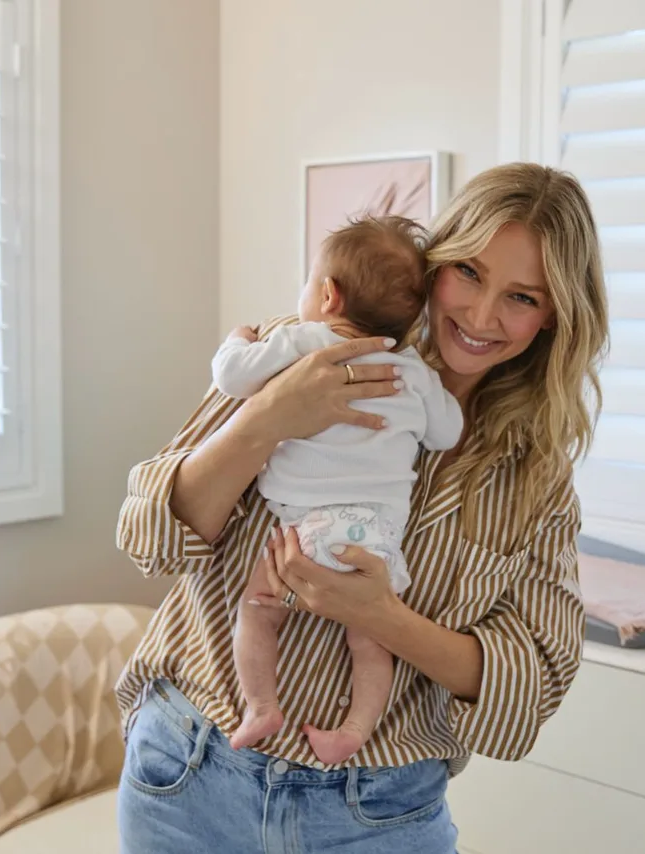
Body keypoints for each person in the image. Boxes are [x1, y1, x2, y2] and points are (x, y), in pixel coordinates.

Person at [114, 162, 609, 854]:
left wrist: (378, 617)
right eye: (468, 271)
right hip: (190, 775)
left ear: (555, 315)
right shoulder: (298, 354)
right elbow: (149, 541)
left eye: (521, 297)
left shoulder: (535, 475)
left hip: (375, 813)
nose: (480, 315)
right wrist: (266, 420)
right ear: (435, 262)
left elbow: (531, 687)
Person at [209, 215, 463, 764]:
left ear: (328, 295)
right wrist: (427, 387)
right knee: (368, 637)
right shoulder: (412, 369)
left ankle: (261, 707)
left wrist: (239, 339)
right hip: (376, 533)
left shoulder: (306, 341)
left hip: (305, 527)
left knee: (258, 609)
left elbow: (231, 377)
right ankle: (355, 729)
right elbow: (447, 433)